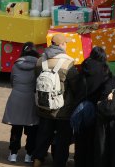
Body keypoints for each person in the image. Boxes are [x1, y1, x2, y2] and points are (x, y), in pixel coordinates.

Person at [32, 33, 79, 167]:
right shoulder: (68, 63)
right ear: (61, 45)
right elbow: (75, 85)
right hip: (63, 109)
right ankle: (59, 162)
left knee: (43, 136)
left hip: (43, 106)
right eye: (66, 43)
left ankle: (37, 160)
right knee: (62, 139)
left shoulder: (40, 61)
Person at [3, 42, 40, 163]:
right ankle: (29, 155)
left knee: (16, 126)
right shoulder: (39, 65)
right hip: (32, 99)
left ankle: (13, 153)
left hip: (16, 98)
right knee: (32, 128)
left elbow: (12, 82)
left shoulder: (15, 65)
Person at [74, 46, 111, 167]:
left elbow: (78, 86)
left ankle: (79, 162)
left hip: (81, 105)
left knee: (80, 136)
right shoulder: (105, 69)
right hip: (96, 107)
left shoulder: (84, 66)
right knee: (93, 137)